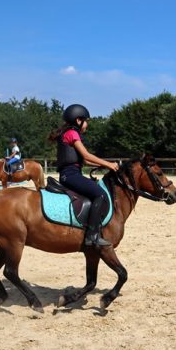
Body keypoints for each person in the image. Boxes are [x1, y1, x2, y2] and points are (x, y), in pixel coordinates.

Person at [49, 104, 119, 247]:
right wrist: (109, 164)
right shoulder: (72, 134)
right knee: (100, 194)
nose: (87, 125)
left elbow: (85, 160)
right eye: (86, 121)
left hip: (70, 174)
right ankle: (92, 236)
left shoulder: (68, 133)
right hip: (71, 175)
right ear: (78, 120)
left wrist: (102, 165)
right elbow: (87, 155)